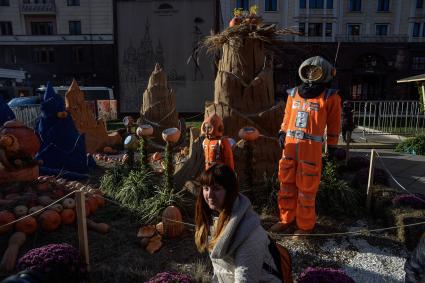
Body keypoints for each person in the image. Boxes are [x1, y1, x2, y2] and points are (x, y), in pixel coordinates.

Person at [271, 56, 342, 235]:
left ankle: (304, 225)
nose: (312, 73)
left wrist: (332, 146)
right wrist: (282, 132)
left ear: (324, 73)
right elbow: (287, 117)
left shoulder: (330, 97)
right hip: (290, 145)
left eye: (315, 71)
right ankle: (286, 219)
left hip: (311, 148)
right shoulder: (293, 94)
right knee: (286, 185)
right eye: (309, 70)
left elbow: (334, 124)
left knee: (307, 189)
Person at [194, 164, 282, 283]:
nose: (209, 195)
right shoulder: (215, 221)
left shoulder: (249, 233)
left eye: (216, 188)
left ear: (230, 191)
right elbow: (220, 272)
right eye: (206, 188)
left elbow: (245, 280)